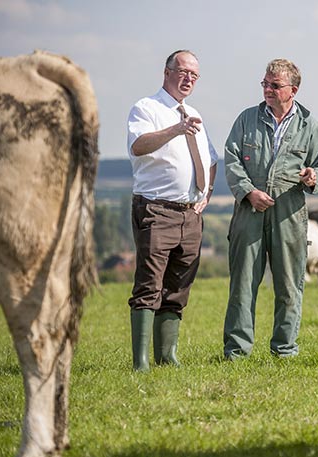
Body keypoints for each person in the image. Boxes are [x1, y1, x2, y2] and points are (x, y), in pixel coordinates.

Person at [222, 58, 318, 359]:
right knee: (243, 283)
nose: (267, 89)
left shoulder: (310, 126)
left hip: (290, 214)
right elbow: (231, 161)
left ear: (293, 90)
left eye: (275, 85)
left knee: (289, 285)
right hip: (249, 212)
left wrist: (313, 177)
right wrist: (248, 192)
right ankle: (237, 351)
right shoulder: (246, 120)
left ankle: (284, 350)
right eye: (265, 83)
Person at [126, 49, 218, 371]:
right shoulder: (147, 108)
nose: (188, 78)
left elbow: (211, 158)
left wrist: (206, 193)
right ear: (166, 72)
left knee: (178, 286)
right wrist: (174, 131)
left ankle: (167, 356)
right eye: (183, 71)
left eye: (194, 75)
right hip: (156, 209)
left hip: (190, 214)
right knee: (149, 283)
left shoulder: (194, 113)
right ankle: (141, 362)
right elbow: (138, 146)